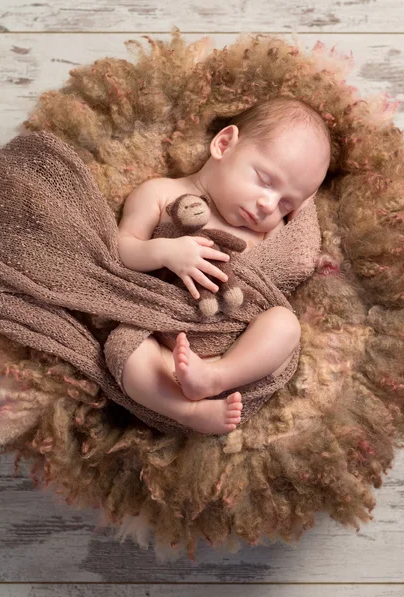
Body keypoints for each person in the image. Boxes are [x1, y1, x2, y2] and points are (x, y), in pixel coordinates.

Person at [117, 96, 331, 435]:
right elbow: (122, 250)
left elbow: (294, 259)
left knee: (285, 323)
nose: (267, 205)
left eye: (285, 204)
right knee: (124, 350)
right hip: (161, 347)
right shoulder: (160, 193)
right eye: (264, 180)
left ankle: (214, 379)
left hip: (231, 353)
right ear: (224, 144)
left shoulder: (267, 231)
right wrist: (164, 252)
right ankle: (187, 411)